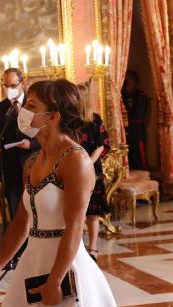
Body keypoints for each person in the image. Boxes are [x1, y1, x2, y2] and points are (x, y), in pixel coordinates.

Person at [0, 79, 123, 307]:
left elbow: (75, 226)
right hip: (36, 261)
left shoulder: (75, 161)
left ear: (54, 116)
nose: (23, 111)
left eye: (32, 106)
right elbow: (21, 221)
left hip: (65, 268)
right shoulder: (33, 161)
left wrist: (56, 279)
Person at [0, 68, 40, 268]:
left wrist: (29, 145)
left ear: (23, 83)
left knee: (36, 210)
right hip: (11, 168)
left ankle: (36, 251)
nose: (9, 90)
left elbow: (46, 138)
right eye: (6, 86)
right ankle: (17, 255)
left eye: (13, 86)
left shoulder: (34, 106)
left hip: (34, 167)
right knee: (15, 211)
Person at [77, 81, 110, 262]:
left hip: (92, 170)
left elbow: (100, 145)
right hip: (73, 170)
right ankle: (78, 248)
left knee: (93, 212)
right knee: (77, 212)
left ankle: (93, 248)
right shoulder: (70, 121)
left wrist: (87, 163)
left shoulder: (95, 119)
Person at [122, 70, 149, 170]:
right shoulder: (121, 95)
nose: (127, 81)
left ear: (135, 81)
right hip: (125, 130)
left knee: (139, 159)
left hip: (136, 131)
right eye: (126, 79)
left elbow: (138, 115)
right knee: (127, 159)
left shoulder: (141, 96)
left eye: (130, 79)